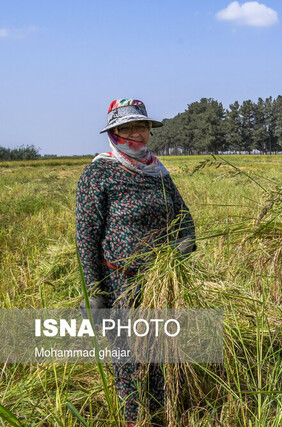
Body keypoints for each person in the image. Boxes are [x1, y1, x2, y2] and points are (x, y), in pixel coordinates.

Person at [76, 99, 195, 425]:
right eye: (127, 128)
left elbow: (184, 217)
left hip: (158, 286)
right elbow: (85, 238)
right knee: (127, 363)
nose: (137, 134)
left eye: (141, 127)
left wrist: (185, 242)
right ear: (114, 132)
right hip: (119, 287)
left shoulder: (158, 172)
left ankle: (157, 417)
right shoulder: (99, 173)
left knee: (157, 358)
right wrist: (94, 292)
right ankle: (133, 420)